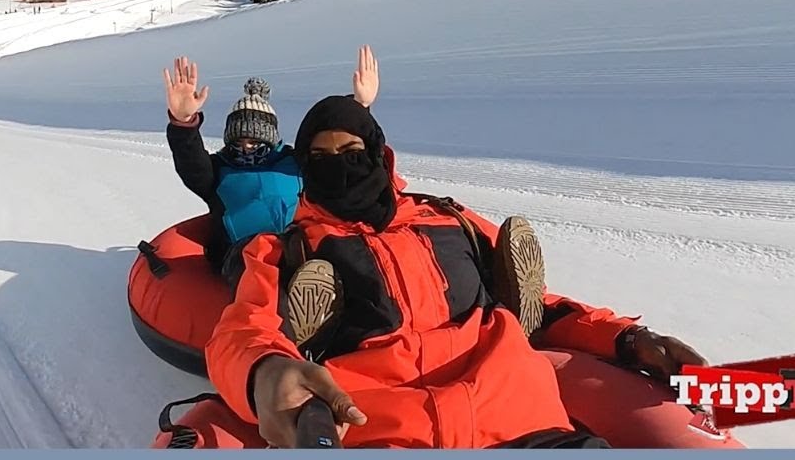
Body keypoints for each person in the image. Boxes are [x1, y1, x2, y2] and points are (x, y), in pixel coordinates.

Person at [204, 95, 710, 449]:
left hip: (522, 425)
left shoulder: (447, 219)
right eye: (320, 157)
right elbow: (242, 330)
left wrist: (625, 338)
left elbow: (542, 308)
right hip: (379, 431)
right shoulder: (286, 247)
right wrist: (263, 369)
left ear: (379, 154)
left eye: (352, 153)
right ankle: (315, 332)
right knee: (296, 306)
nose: (336, 165)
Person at [163, 47, 380, 282]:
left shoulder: (294, 162)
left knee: (316, 248)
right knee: (255, 263)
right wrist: (183, 123)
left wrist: (360, 107)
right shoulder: (217, 170)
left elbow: (339, 153)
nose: (246, 147)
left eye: (254, 141)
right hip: (241, 256)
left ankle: (320, 293)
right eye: (239, 141)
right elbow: (191, 162)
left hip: (295, 248)